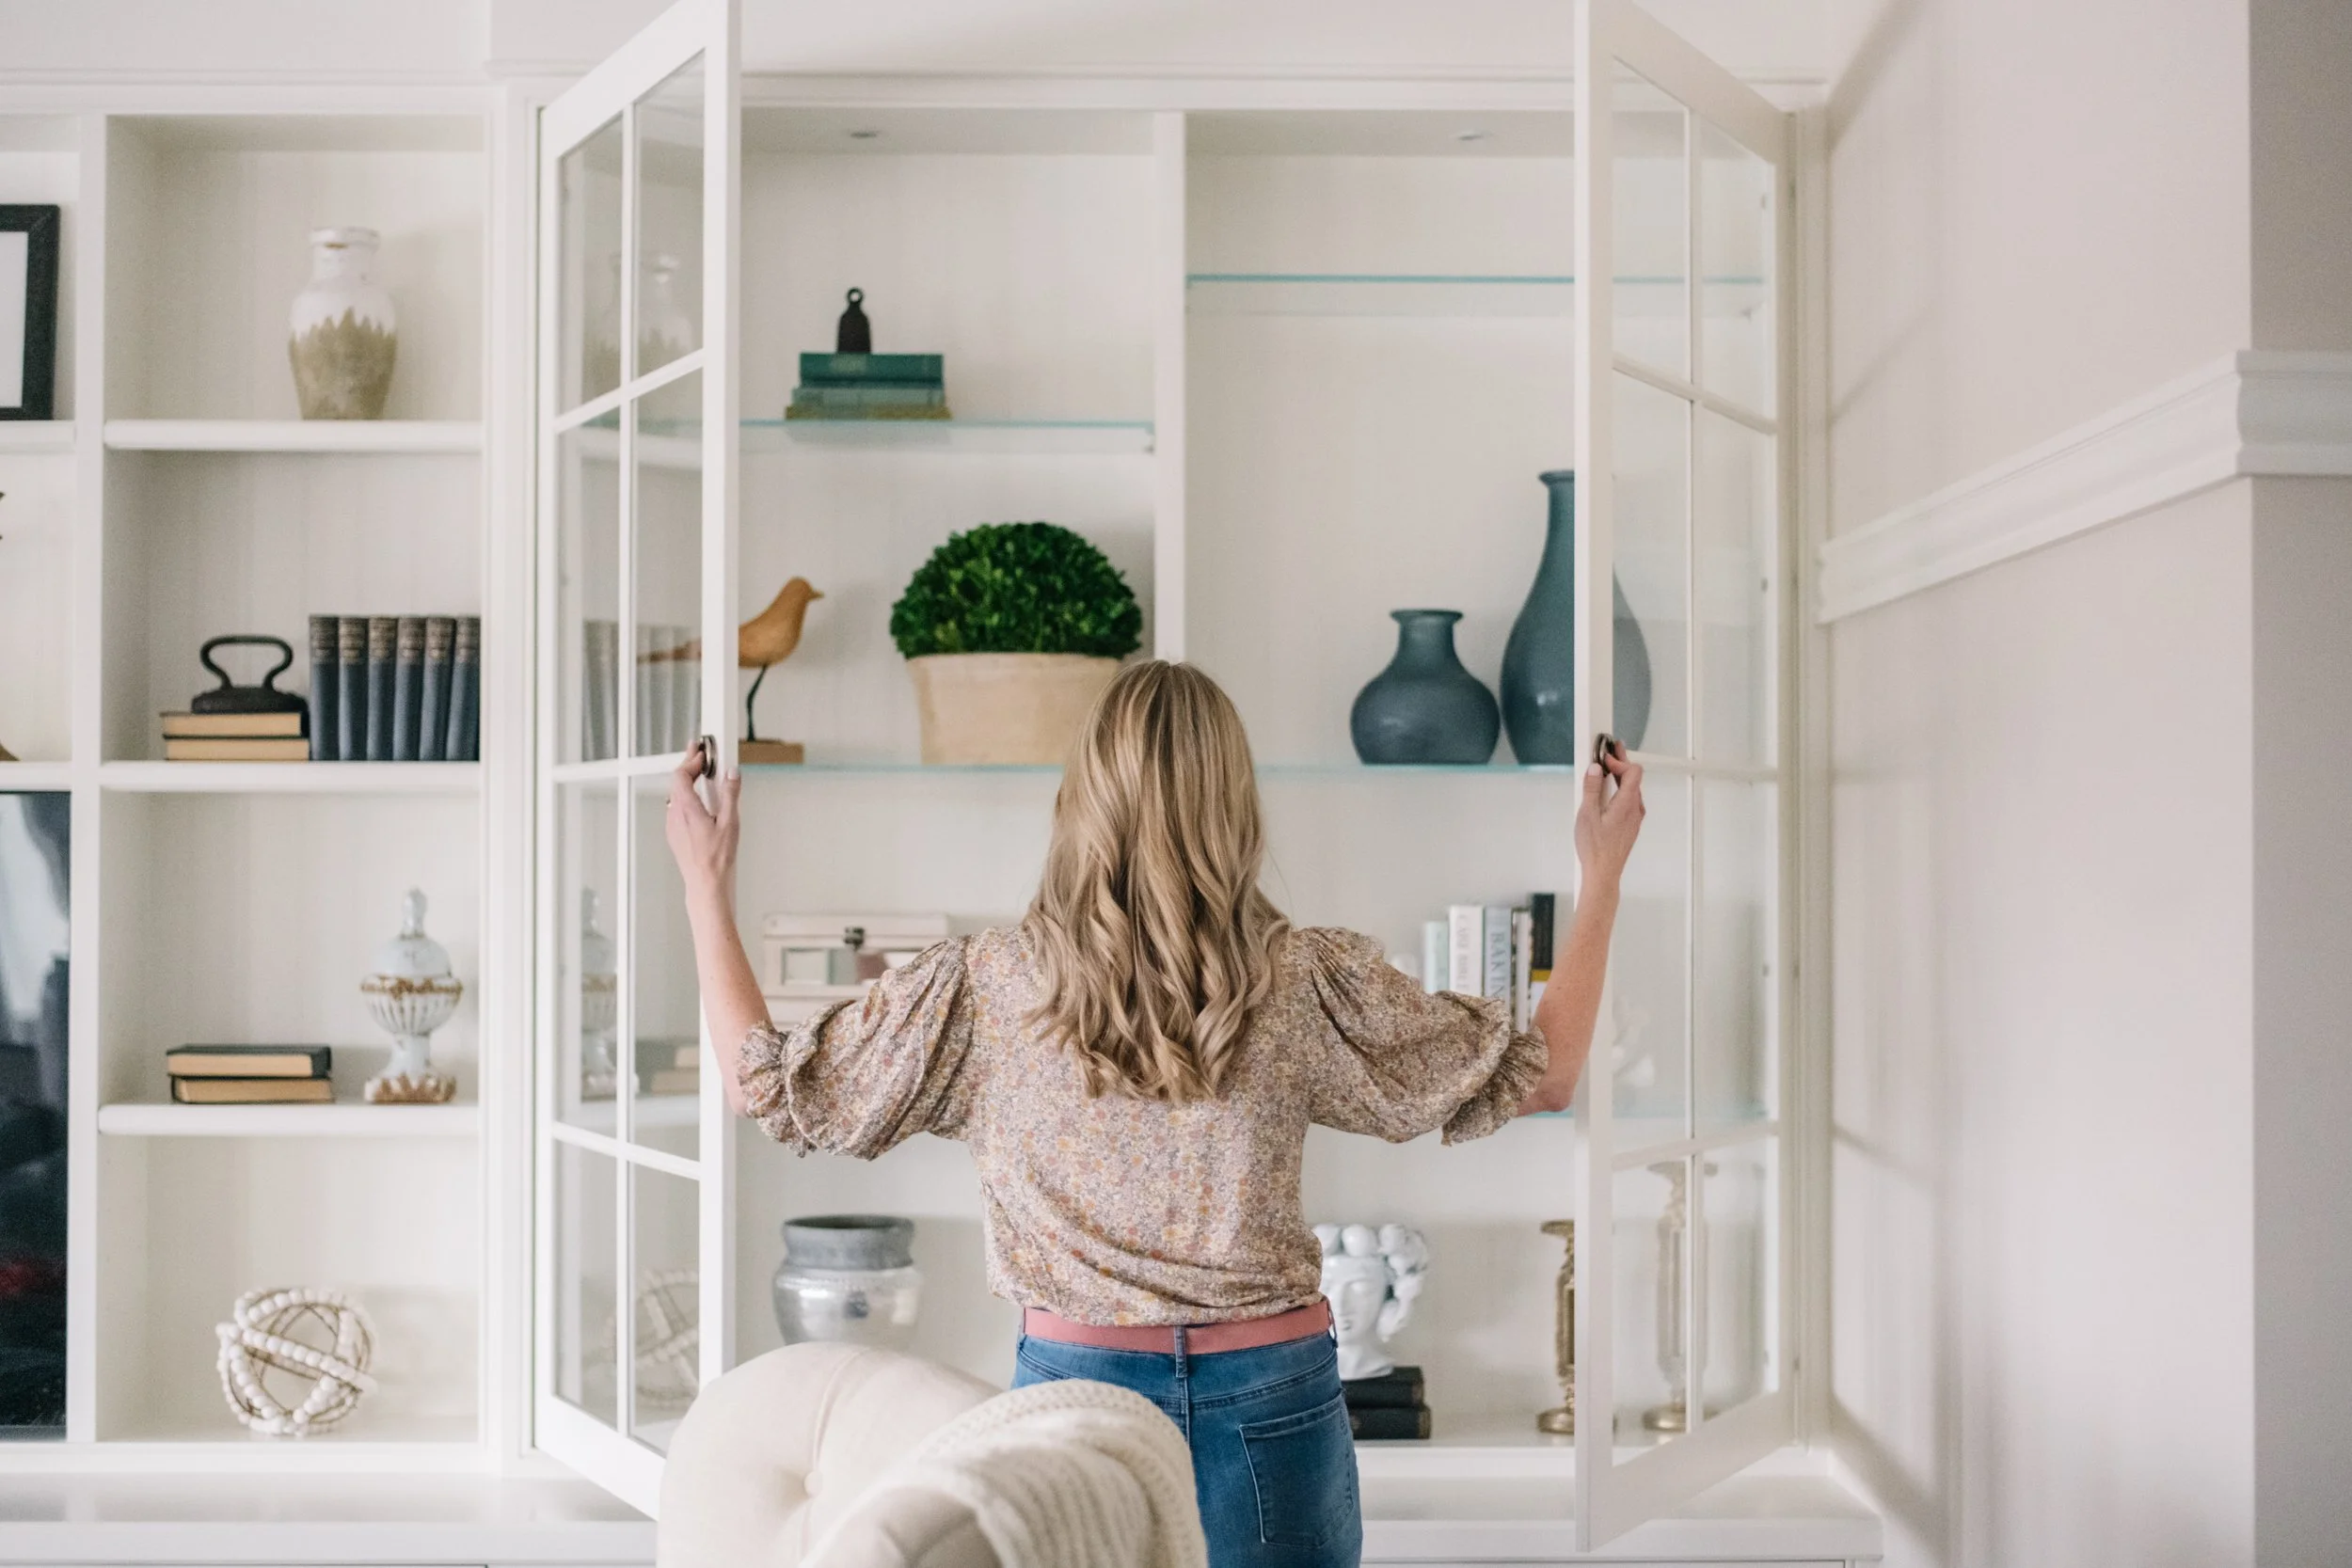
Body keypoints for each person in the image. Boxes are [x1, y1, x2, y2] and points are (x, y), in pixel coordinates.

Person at [666, 659, 1645, 1568]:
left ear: (1079, 798)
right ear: (1235, 806)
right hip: (1273, 1394)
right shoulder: (1300, 977)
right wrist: (1600, 874)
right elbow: (1545, 1072)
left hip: (1071, 1395)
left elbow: (771, 1086)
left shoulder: (985, 985)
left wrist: (705, 882)